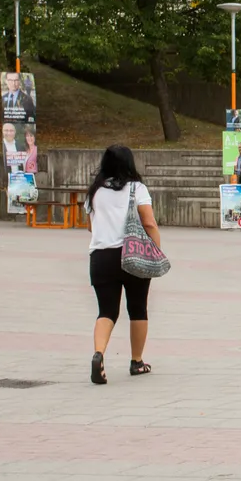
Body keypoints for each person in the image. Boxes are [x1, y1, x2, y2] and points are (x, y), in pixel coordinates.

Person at [84, 145, 160, 384]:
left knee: (106, 310)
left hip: (101, 257)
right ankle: (137, 361)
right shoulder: (137, 188)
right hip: (133, 255)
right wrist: (156, 250)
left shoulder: (94, 191)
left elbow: (90, 226)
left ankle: (99, 354)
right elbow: (149, 223)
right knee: (137, 308)